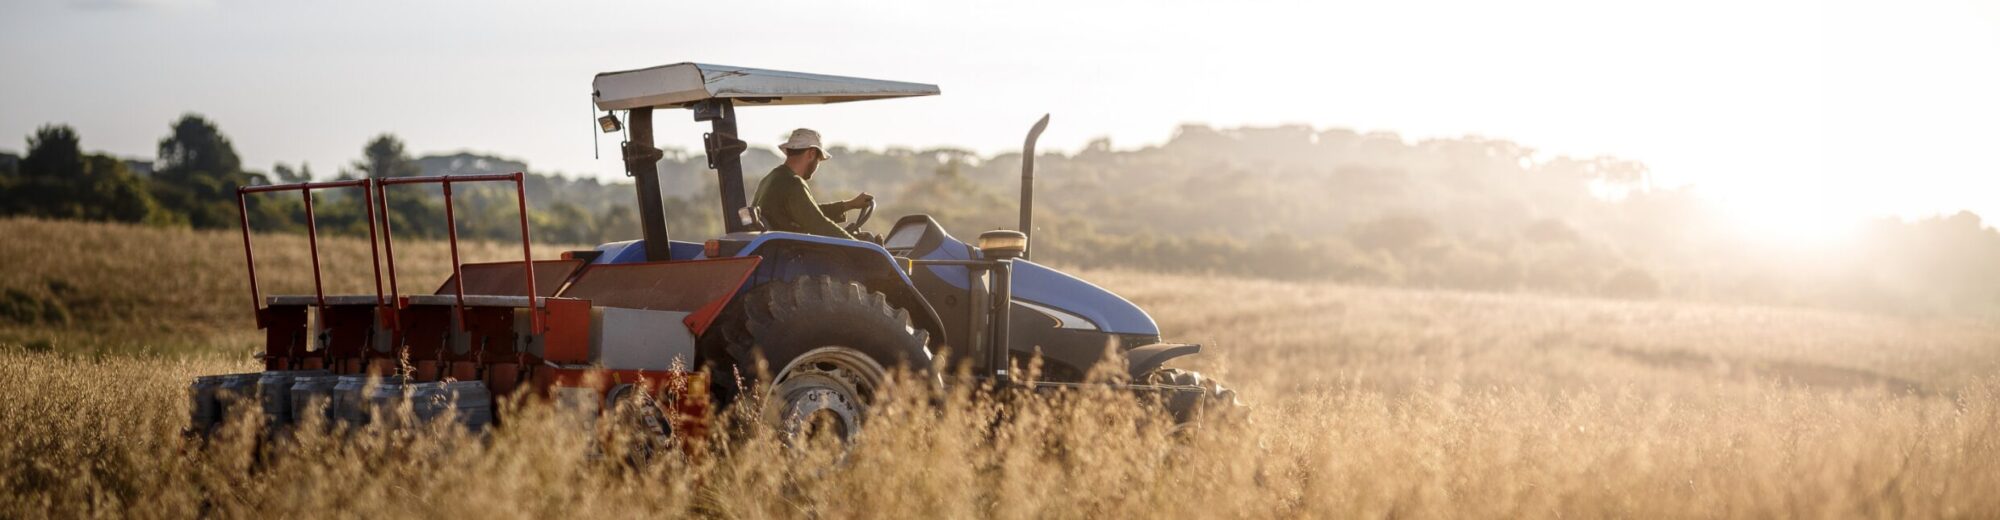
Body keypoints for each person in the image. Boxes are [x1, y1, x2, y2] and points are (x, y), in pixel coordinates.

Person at [752, 128, 873, 240]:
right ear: (811, 154)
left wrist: (849, 205)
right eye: (819, 160)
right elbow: (819, 225)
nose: (817, 166)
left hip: (777, 250)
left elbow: (809, 213)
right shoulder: (793, 182)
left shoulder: (771, 178)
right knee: (866, 241)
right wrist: (860, 247)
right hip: (791, 253)